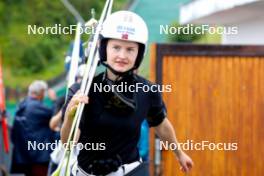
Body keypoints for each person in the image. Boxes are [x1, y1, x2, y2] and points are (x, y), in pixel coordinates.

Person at [61, 11, 193, 176]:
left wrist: (179, 153)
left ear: (139, 53)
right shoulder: (81, 91)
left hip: (130, 171)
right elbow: (68, 143)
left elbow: (161, 124)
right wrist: (70, 116)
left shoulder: (147, 91)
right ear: (104, 48)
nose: (122, 56)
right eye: (116, 47)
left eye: (130, 49)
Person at [10, 80, 57, 176]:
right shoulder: (35, 106)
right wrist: (54, 100)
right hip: (38, 156)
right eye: (44, 93)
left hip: (24, 156)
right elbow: (55, 116)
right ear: (40, 93)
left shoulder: (22, 105)